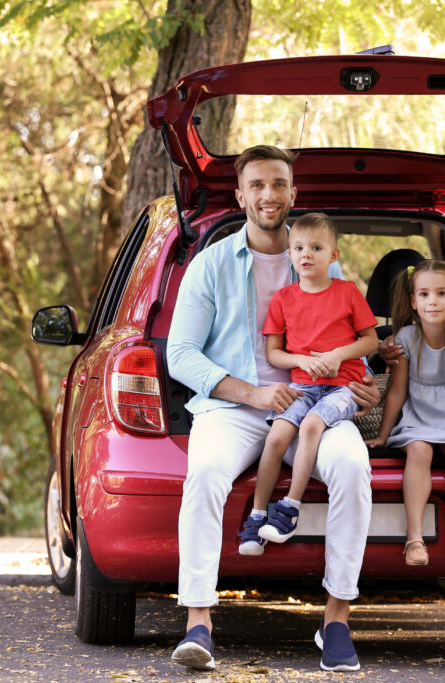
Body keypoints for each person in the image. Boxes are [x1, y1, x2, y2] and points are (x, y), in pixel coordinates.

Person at [166, 145, 379, 673]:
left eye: (279, 184)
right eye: (257, 185)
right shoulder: (210, 265)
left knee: (353, 468)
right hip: (235, 408)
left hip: (318, 404)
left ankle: (335, 621)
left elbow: (350, 337)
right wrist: (251, 392)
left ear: (293, 193)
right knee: (206, 473)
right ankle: (199, 623)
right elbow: (180, 354)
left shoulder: (318, 257)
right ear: (240, 195)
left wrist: (365, 386)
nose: (269, 195)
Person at [239, 213, 378, 550]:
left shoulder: (347, 292)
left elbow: (370, 341)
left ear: (334, 255)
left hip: (343, 387)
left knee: (312, 425)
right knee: (276, 437)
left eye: (316, 248)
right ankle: (257, 516)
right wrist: (300, 359)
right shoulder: (283, 300)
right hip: (302, 386)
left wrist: (337, 355)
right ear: (289, 254)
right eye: (299, 247)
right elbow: (274, 353)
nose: (306, 254)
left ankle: (290, 508)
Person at [365, 260, 445, 570]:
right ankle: (414, 538)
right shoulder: (405, 339)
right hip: (417, 421)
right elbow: (398, 392)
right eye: (425, 294)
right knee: (419, 450)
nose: (433, 301)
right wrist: (383, 435)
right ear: (414, 302)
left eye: (442, 293)